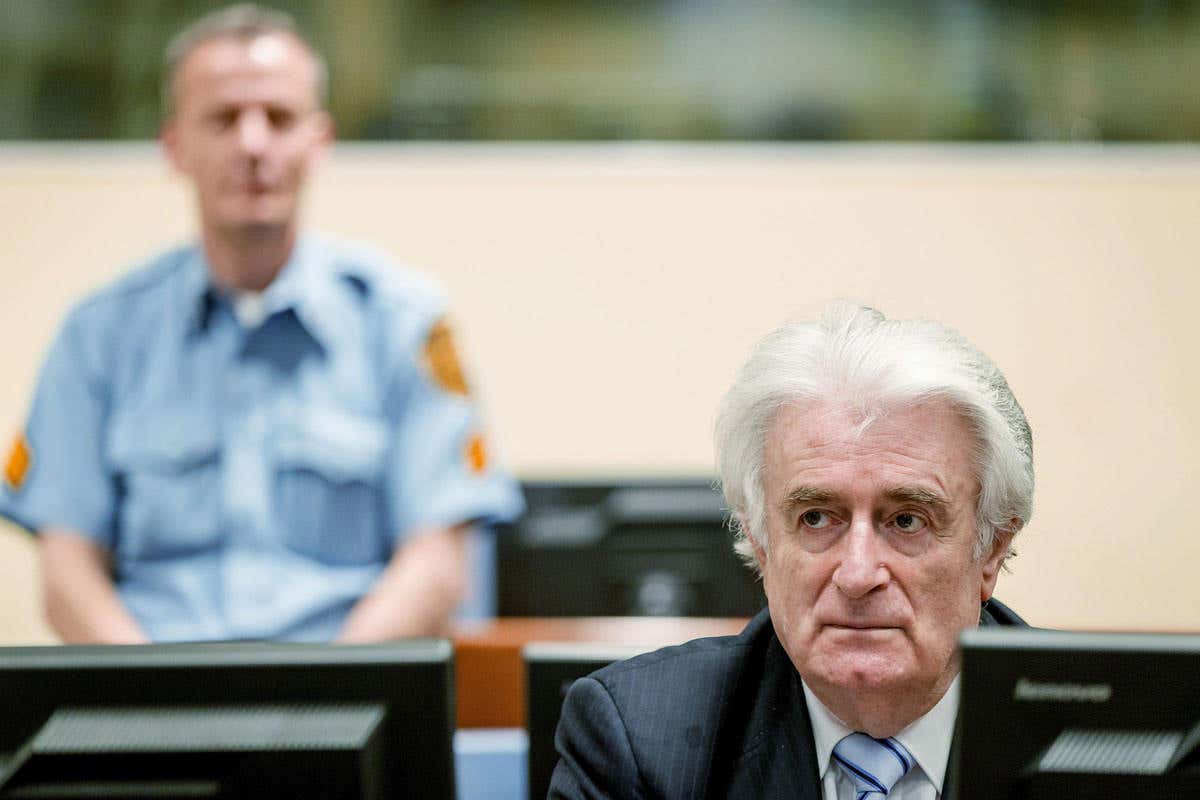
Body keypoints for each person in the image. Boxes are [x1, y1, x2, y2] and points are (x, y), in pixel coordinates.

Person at [0, 4, 522, 643]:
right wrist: (155, 707)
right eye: (223, 119)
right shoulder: (98, 335)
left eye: (278, 118)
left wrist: (318, 710)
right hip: (148, 712)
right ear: (175, 146)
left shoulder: (402, 324)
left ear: (318, 142)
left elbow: (438, 563)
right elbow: (67, 573)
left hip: (350, 711)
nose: (253, 144)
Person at [550, 302, 1031, 799]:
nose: (859, 573)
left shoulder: (1097, 732)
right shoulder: (639, 744)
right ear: (760, 543)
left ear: (992, 549)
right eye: (817, 518)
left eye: (907, 520)